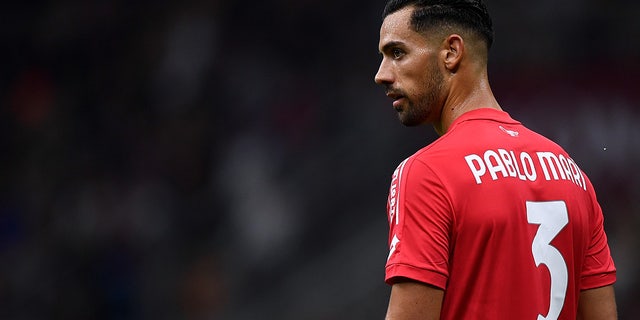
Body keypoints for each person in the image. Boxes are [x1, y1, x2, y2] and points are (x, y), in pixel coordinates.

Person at [373, 0, 617, 319]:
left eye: (397, 53)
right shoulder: (572, 174)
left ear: (451, 52)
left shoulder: (427, 174)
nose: (382, 74)